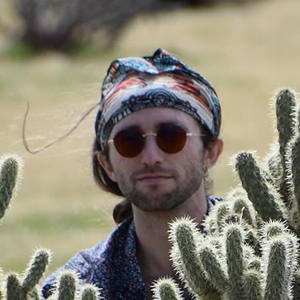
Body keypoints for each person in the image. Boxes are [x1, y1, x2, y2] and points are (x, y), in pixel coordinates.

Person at [42, 48, 223, 300]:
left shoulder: (271, 255)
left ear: (210, 153)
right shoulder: (74, 287)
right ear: (108, 165)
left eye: (171, 137)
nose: (151, 157)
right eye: (129, 141)